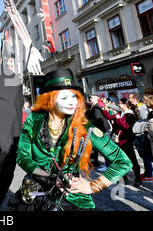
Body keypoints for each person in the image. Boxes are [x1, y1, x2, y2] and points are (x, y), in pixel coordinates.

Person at [15, 69, 132, 211]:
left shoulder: (83, 126)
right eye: (64, 98)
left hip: (72, 197)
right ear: (50, 99)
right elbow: (22, 156)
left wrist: (93, 186)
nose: (72, 102)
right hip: (35, 195)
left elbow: (123, 161)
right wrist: (48, 178)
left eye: (74, 97)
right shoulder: (33, 121)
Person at [101, 98, 142, 187]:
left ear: (125, 105)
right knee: (119, 159)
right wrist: (104, 108)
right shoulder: (120, 113)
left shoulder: (130, 115)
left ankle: (138, 179)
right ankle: (124, 177)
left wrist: (118, 119)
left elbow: (126, 126)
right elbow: (109, 117)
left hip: (126, 140)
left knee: (132, 159)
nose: (118, 105)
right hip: (118, 139)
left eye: (120, 103)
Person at [85, 95, 111, 170]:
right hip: (100, 130)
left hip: (102, 131)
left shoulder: (96, 108)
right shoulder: (94, 107)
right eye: (90, 98)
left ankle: (108, 166)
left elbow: (98, 119)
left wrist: (88, 122)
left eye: (91, 98)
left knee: (104, 149)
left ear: (96, 99)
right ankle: (107, 165)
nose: (90, 99)